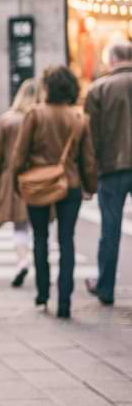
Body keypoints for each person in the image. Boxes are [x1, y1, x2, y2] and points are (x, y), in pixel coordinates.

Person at [11, 66, 97, 319]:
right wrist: (90, 187)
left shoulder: (35, 115)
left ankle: (42, 295)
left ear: (47, 87)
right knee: (66, 240)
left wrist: (18, 181)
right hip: (69, 184)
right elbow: (88, 160)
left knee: (39, 238)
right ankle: (65, 301)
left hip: (38, 184)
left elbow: (20, 154)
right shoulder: (79, 118)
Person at [84, 40, 132, 306]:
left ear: (111, 60)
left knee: (110, 230)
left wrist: (89, 176)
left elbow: (91, 138)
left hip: (112, 168)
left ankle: (106, 287)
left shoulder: (99, 89)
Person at [0, 78, 39, 288]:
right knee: (40, 226)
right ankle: (41, 265)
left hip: (13, 178)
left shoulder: (7, 120)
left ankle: (22, 261)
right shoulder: (40, 118)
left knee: (20, 225)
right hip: (39, 177)